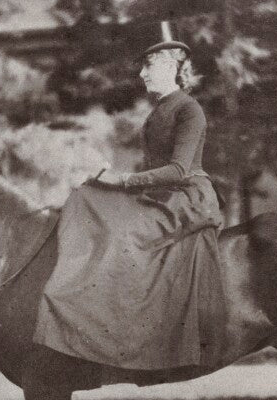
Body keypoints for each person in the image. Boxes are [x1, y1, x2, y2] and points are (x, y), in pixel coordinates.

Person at [33, 40, 226, 370]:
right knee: (87, 199)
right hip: (162, 197)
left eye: (149, 66)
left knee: (123, 233)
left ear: (171, 68)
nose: (142, 73)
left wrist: (120, 181)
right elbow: (153, 168)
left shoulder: (188, 109)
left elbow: (179, 170)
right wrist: (106, 178)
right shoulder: (160, 110)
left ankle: (136, 337)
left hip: (187, 198)